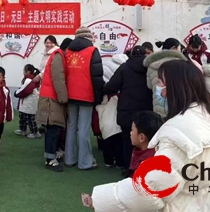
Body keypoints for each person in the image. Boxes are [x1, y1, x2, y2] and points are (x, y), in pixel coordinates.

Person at [90, 59, 210, 212]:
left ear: (175, 88)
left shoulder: (181, 132)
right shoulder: (209, 120)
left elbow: (152, 187)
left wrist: (100, 199)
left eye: (160, 83)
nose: (157, 88)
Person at [85, 110, 163, 208]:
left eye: (132, 130)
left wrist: (98, 201)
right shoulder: (143, 153)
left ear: (141, 137)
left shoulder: (147, 163)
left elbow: (132, 195)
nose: (130, 133)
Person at [104, 45, 152, 172]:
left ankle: (129, 168)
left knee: (127, 140)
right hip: (146, 111)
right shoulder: (149, 69)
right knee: (147, 141)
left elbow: (111, 87)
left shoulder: (124, 68)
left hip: (127, 110)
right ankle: (145, 168)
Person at [64, 26, 104, 170]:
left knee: (71, 127)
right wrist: (98, 96)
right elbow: (97, 76)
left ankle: (69, 159)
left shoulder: (67, 51)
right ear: (89, 37)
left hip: (70, 94)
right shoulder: (93, 51)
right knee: (84, 129)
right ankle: (85, 162)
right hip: (86, 95)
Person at [36, 37, 67, 172]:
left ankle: (52, 156)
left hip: (50, 96)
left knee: (53, 129)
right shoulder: (59, 56)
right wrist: (63, 98)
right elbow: (58, 78)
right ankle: (50, 159)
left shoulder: (56, 55)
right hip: (51, 98)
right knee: (53, 129)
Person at [144, 38, 188, 117]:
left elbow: (149, 86)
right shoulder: (181, 65)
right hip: (178, 105)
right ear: (174, 48)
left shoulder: (152, 65)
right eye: (179, 49)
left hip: (159, 105)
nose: (180, 51)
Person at [14, 64, 41, 138]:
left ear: (28, 72)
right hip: (26, 103)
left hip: (29, 103)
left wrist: (16, 93)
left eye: (24, 70)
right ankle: (23, 130)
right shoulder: (30, 79)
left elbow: (24, 90)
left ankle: (35, 132)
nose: (23, 72)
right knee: (22, 116)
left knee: (30, 118)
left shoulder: (29, 80)